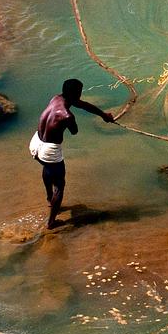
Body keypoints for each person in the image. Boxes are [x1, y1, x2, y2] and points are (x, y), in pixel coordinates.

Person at [29, 79, 115, 229]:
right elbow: (74, 132)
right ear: (76, 94)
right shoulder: (67, 115)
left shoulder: (56, 98)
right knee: (60, 186)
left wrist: (103, 115)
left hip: (36, 143)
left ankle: (50, 199)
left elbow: (83, 105)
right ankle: (51, 222)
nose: (81, 96)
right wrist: (72, 121)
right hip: (50, 149)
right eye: (80, 93)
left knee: (48, 169)